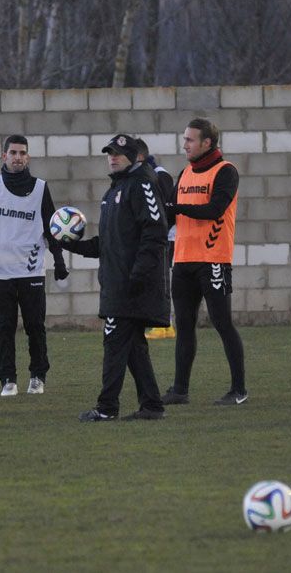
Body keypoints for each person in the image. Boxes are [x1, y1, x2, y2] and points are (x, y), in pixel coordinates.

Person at [58, 133, 169, 422]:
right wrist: (71, 244)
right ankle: (152, 406)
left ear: (134, 157)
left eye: (118, 153)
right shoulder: (114, 191)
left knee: (114, 344)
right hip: (117, 283)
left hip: (130, 286)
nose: (113, 158)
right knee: (133, 348)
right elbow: (108, 244)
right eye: (109, 153)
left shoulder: (142, 184)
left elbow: (156, 233)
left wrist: (138, 275)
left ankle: (107, 408)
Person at [0, 134, 68, 397]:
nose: (18, 158)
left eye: (22, 153)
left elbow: (52, 228)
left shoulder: (40, 188)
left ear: (28, 157)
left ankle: (37, 376)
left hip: (31, 270)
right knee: (4, 327)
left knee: (35, 326)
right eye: (13, 153)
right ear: (4, 156)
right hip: (0, 272)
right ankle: (8, 379)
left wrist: (58, 260)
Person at [160, 118, 248, 406]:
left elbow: (214, 209)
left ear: (207, 143)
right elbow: (169, 214)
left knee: (222, 323)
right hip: (183, 259)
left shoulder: (226, 171)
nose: (184, 144)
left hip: (213, 260)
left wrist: (176, 207)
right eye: (184, 138)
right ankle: (180, 390)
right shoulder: (185, 173)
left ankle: (239, 390)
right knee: (184, 325)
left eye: (190, 139)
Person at [134, 137, 177, 341]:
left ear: (140, 156)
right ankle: (162, 324)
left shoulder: (159, 175)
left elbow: (168, 207)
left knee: (162, 279)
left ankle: (165, 325)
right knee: (157, 279)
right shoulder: (145, 175)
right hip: (156, 237)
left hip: (166, 237)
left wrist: (158, 230)